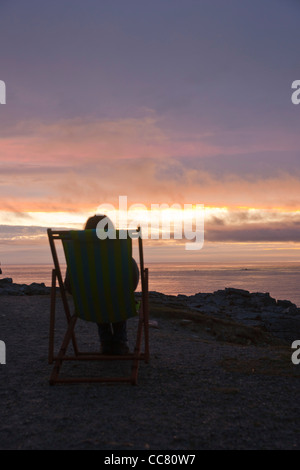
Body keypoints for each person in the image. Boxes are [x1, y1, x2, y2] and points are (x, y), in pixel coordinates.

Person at [64, 215, 139, 356]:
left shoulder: (78, 260)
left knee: (97, 296)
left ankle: (106, 342)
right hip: (121, 302)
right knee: (118, 298)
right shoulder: (122, 257)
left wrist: (82, 293)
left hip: (88, 305)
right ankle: (120, 342)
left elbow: (69, 285)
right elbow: (132, 282)